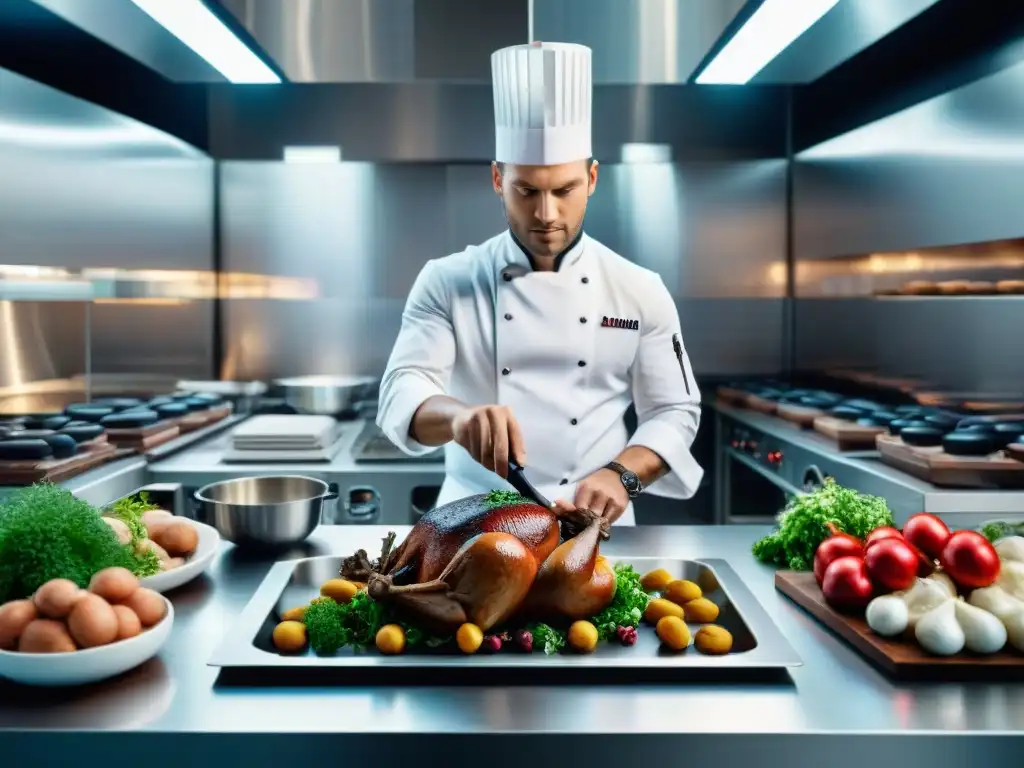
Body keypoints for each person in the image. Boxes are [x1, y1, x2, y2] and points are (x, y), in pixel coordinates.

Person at [377, 41, 702, 526]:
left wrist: (622, 476)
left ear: (592, 178)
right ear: (496, 179)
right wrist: (458, 417)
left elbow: (674, 411)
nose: (546, 214)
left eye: (564, 190)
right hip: (469, 525)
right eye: (526, 191)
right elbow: (403, 389)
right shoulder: (447, 281)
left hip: (590, 528)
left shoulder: (639, 289)